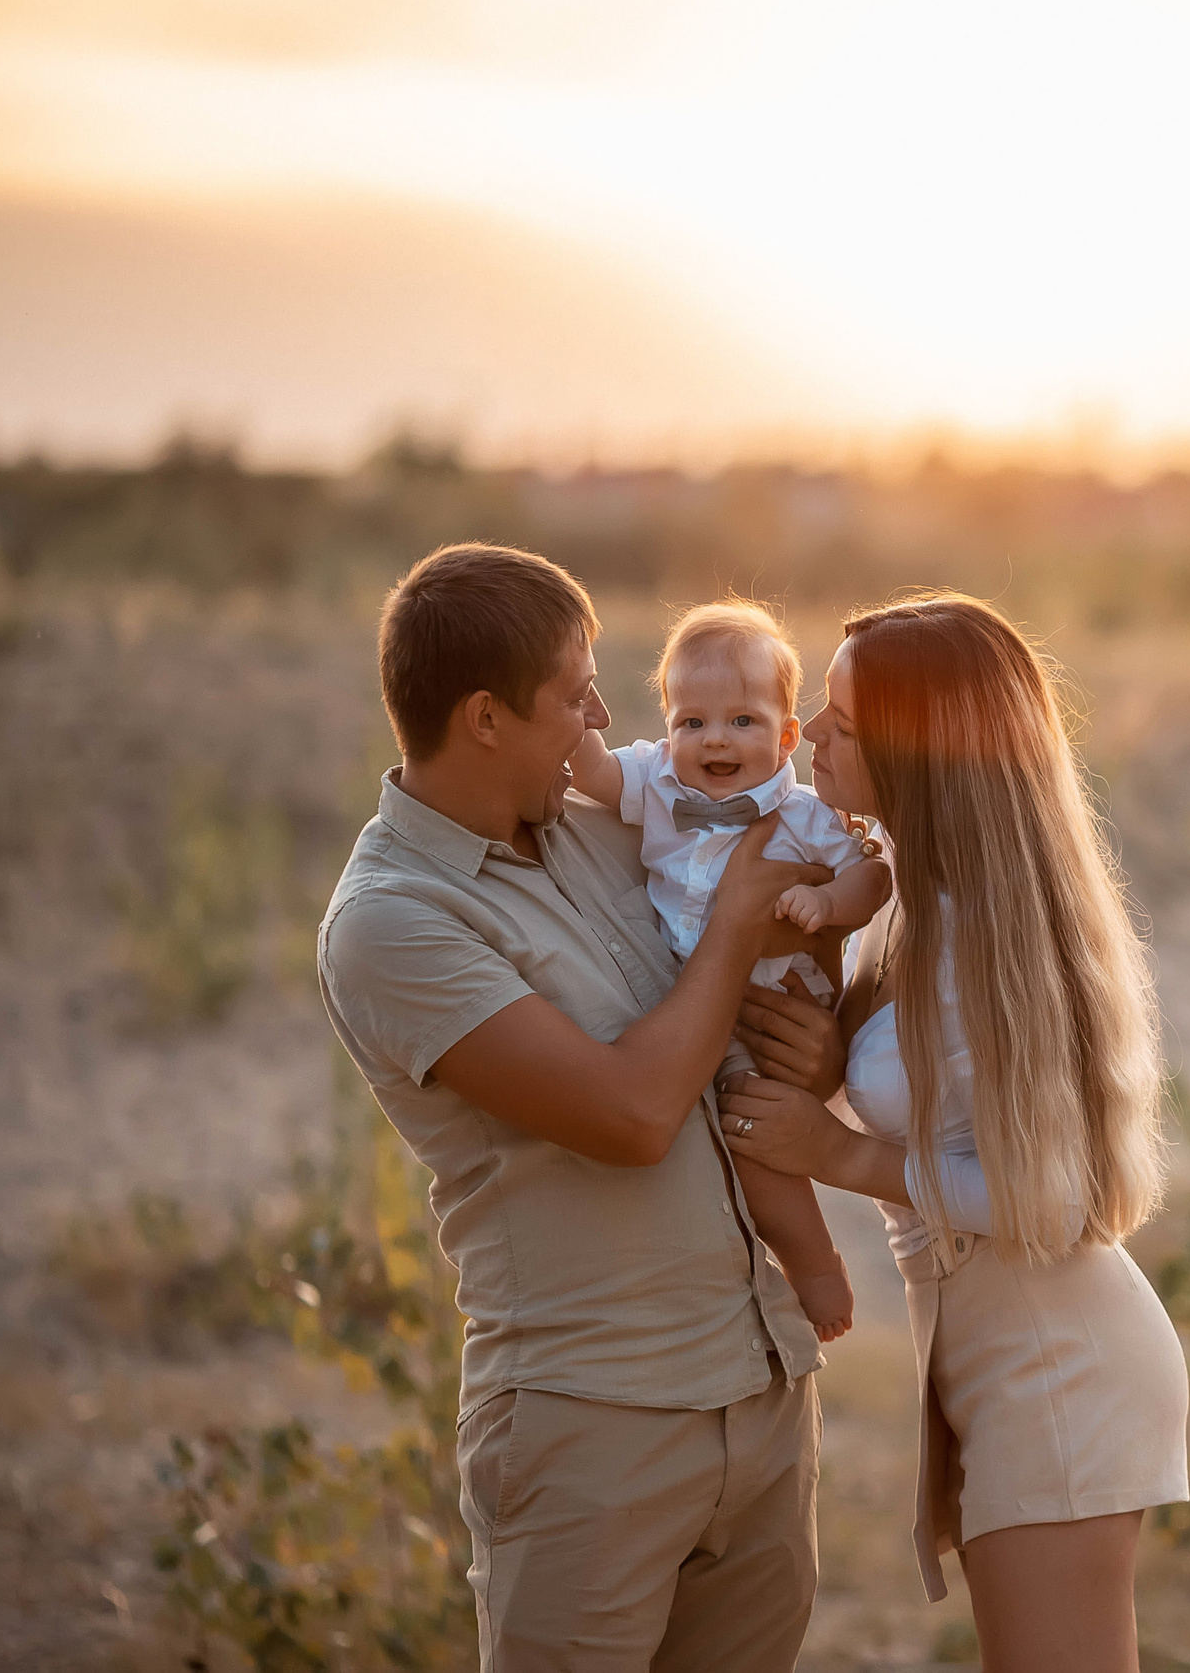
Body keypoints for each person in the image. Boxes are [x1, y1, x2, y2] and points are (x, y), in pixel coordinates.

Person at [316, 543, 830, 1673]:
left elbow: (735, 1008)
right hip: (591, 1429)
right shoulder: (394, 923)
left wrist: (814, 1037)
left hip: (759, 1391)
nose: (605, 715)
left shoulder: (605, 825)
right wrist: (741, 923)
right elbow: (633, 1114)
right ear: (487, 718)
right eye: (574, 693)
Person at [715, 590, 1190, 1673]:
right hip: (993, 1343)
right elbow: (946, 1109)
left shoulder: (989, 936)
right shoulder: (910, 901)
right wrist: (834, 1072)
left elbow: (1061, 1204)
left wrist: (838, 1156)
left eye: (843, 720)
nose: (812, 738)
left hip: (1055, 1359)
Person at [568, 597, 896, 1342]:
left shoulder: (808, 815)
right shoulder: (655, 781)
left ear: (785, 737)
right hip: (690, 997)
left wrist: (825, 900)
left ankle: (814, 1265)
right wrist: (579, 725)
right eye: (693, 721)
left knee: (754, 1137)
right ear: (667, 728)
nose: (715, 739)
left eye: (742, 721)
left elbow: (873, 880)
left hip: (772, 995)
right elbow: (593, 775)